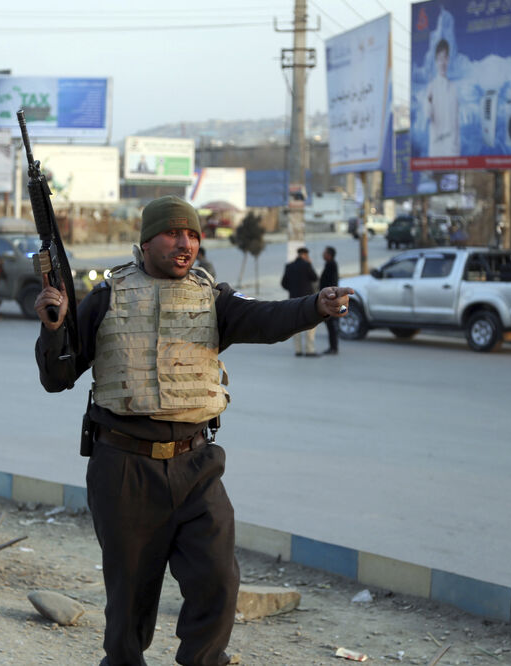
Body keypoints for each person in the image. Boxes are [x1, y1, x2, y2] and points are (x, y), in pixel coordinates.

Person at [34, 195, 352, 666]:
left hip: (196, 464)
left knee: (218, 579)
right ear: (145, 242)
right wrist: (54, 328)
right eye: (173, 234)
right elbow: (57, 378)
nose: (185, 244)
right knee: (128, 604)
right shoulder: (106, 298)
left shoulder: (213, 299)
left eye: (193, 236)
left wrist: (315, 306)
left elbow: (266, 319)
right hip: (123, 468)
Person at [281, 247, 320, 357]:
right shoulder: (306, 265)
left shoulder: (289, 266)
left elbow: (283, 283)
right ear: (305, 255)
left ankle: (298, 350)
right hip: (308, 300)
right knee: (310, 324)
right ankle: (309, 350)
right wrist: (310, 264)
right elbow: (315, 277)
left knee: (296, 325)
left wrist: (292, 289)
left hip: (293, 300)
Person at [427, 38, 460, 157]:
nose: (443, 63)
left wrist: (455, 146)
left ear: (449, 59)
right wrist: (429, 100)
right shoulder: (431, 88)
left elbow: (455, 122)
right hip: (437, 150)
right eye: (440, 59)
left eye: (445, 58)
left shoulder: (453, 88)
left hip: (452, 150)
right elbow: (427, 115)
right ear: (436, 61)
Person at [320, 246, 340, 354]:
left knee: (331, 324)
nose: (323, 254)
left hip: (330, 299)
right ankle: (333, 346)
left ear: (329, 255)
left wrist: (329, 297)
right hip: (329, 298)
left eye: (324, 252)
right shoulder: (329, 264)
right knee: (330, 324)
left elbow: (331, 283)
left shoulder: (331, 265)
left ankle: (334, 347)